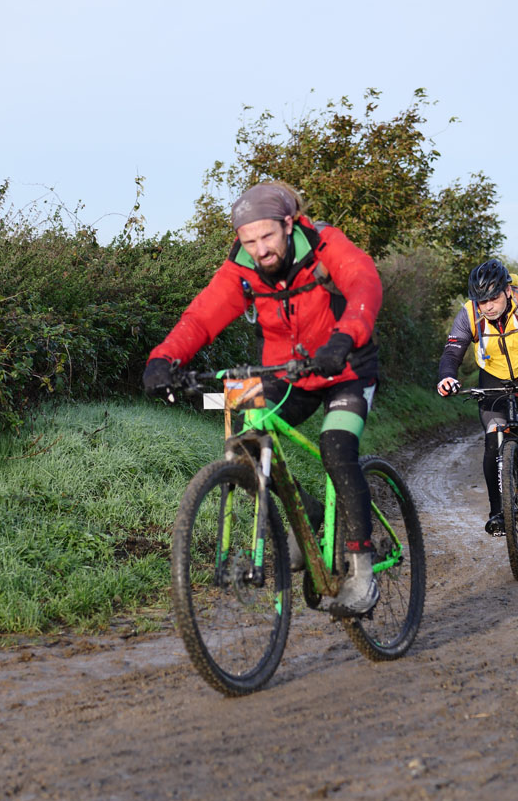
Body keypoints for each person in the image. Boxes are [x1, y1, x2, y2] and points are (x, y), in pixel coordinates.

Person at [143, 181, 382, 617]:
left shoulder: (325, 245)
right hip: (284, 374)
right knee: (247, 445)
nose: (260, 249)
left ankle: (362, 574)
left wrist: (344, 338)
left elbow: (364, 284)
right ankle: (307, 513)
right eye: (249, 241)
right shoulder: (242, 269)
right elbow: (201, 317)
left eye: (267, 236)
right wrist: (163, 359)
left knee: (336, 447)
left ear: (289, 224)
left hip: (347, 366)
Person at [438, 258, 518, 536]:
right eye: (482, 301)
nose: (488, 307)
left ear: (507, 290)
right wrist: (447, 377)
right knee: (494, 440)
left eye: (494, 298)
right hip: (493, 379)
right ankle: (498, 514)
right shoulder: (470, 313)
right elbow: (452, 351)